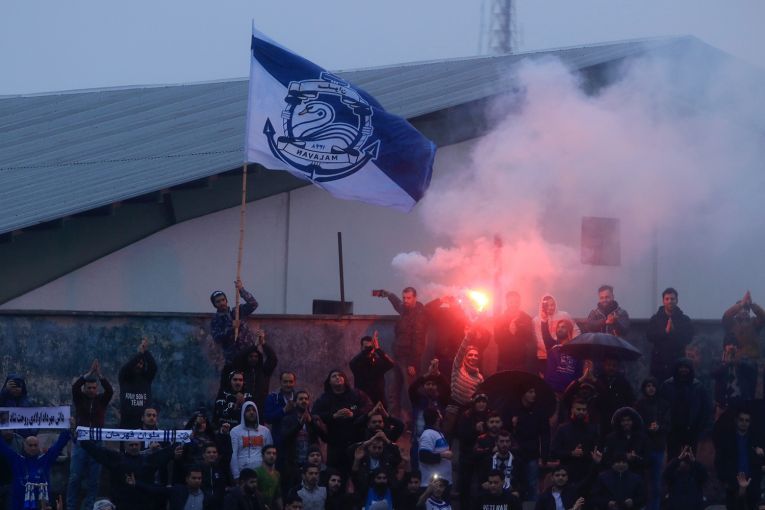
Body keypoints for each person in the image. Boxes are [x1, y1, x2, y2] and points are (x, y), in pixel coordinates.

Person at [374, 287, 429, 419]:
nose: (405, 301)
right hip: (397, 357)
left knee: (412, 392)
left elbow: (419, 340)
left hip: (409, 359)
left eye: (408, 298)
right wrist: (388, 294)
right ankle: (394, 422)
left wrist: (412, 363)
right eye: (404, 298)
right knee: (393, 391)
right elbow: (397, 303)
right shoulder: (404, 308)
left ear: (415, 298)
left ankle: (416, 423)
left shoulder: (419, 315)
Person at [79, 439, 181, 510]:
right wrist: (82, 439)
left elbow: (165, 454)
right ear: (125, 446)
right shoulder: (117, 459)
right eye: (131, 445)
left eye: (136, 444)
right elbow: (98, 452)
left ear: (140, 445)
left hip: (144, 504)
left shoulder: (148, 460)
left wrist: (179, 441)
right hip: (121, 504)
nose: (134, 447)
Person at [67, 359, 113, 510]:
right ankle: (71, 507)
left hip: (97, 443)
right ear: (85, 388)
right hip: (81, 442)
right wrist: (89, 373)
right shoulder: (79, 399)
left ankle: (88, 507)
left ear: (97, 389)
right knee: (75, 477)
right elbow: (75, 387)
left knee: (94, 480)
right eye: (89, 388)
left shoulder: (102, 400)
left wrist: (100, 375)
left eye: (94, 388)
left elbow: (110, 391)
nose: (92, 390)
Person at [312, 369, 372, 474]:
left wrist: (353, 414)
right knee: (335, 475)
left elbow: (369, 408)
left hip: (357, 442)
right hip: (335, 444)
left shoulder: (357, 394)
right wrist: (333, 416)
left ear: (344, 379)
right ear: (329, 382)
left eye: (340, 375)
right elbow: (315, 414)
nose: (337, 377)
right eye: (334, 376)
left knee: (359, 474)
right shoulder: (324, 399)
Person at [0, 427, 71, 510]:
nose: (33, 448)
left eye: (35, 445)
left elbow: (59, 445)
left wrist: (67, 427)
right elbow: (2, 447)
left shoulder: (45, 460)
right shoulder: (16, 460)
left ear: (39, 446)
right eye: (30, 445)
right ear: (24, 446)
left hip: (41, 506)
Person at [505, 385, 551, 501]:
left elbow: (545, 434)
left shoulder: (539, 411)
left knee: (532, 485)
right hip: (515, 455)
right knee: (513, 484)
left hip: (532, 454)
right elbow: (505, 431)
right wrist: (512, 425)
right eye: (530, 392)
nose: (533, 395)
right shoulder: (513, 409)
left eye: (534, 392)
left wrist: (544, 457)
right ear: (523, 394)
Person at [659, 358, 710, 458]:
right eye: (681, 367)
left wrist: (700, 426)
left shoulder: (698, 386)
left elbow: (705, 408)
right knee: (672, 458)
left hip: (691, 428)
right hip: (673, 428)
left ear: (690, 369)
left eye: (686, 367)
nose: (683, 370)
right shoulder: (667, 385)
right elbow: (661, 406)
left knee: (690, 458)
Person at [714, 408, 764, 510]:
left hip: (752, 483)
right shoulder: (727, 439)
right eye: (741, 419)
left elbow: (760, 463)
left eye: (747, 420)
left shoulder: (756, 440)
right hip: (733, 483)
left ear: (750, 423)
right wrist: (725, 480)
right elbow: (719, 461)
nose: (744, 423)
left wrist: (761, 455)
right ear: (736, 420)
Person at [634, 377, 670, 510]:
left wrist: (659, 427)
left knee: (656, 482)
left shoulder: (664, 404)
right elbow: (635, 424)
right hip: (642, 448)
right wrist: (646, 428)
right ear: (644, 388)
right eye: (648, 386)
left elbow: (668, 424)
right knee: (641, 480)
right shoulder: (639, 404)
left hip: (658, 447)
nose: (651, 388)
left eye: (653, 386)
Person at [280, 389, 327, 491]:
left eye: (306, 399)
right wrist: (299, 424)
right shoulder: (288, 419)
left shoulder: (314, 418)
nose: (304, 401)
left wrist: (311, 422)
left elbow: (325, 437)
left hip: (311, 464)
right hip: (294, 464)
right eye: (301, 399)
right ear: (295, 402)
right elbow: (284, 438)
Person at [646, 287, 694, 383]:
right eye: (667, 299)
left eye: (672, 299)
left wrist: (674, 331)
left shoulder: (684, 320)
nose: (670, 301)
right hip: (659, 362)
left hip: (677, 361)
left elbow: (688, 338)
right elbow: (649, 336)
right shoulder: (655, 319)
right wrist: (665, 332)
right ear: (663, 301)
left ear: (677, 300)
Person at [408, 362, 450, 471]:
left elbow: (447, 389)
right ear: (424, 386)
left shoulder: (441, 400)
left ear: (437, 386)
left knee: (435, 471)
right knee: (417, 470)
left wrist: (438, 374)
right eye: (428, 384)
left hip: (436, 443)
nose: (430, 386)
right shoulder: (417, 399)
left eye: (433, 384)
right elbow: (412, 388)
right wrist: (426, 375)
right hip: (418, 441)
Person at [550, 399, 601, 484]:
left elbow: (597, 449)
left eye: (584, 410)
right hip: (568, 473)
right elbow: (554, 452)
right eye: (578, 409)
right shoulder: (563, 429)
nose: (581, 412)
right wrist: (571, 453)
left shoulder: (593, 429)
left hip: (587, 473)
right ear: (572, 410)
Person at [210, 279, 259, 364]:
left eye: (223, 300)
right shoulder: (215, 320)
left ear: (226, 300)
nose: (221, 303)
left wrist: (241, 289)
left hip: (248, 353)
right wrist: (231, 328)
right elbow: (217, 338)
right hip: (233, 358)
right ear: (214, 305)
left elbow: (253, 304)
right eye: (218, 301)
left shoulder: (237, 311)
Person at [126, 465, 212, 510]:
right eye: (194, 478)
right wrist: (136, 484)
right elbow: (154, 490)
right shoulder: (177, 490)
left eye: (199, 478)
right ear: (187, 479)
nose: (197, 480)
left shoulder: (206, 496)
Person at [533, 295, 581, 374]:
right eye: (547, 305)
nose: (550, 307)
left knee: (564, 376)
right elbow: (538, 339)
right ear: (542, 306)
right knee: (548, 377)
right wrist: (553, 351)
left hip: (565, 354)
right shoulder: (536, 320)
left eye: (552, 305)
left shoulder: (564, 315)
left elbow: (576, 331)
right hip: (544, 357)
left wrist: (570, 347)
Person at [425, 294, 468, 382]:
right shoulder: (442, 313)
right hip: (442, 354)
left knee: (455, 382)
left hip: (456, 355)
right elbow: (426, 309)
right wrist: (440, 300)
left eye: (455, 301)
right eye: (452, 301)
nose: (454, 303)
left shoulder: (462, 315)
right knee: (441, 381)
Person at [118, 337, 158, 429]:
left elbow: (153, 367)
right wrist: (140, 354)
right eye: (137, 363)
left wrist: (145, 351)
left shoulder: (146, 378)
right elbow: (127, 367)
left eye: (141, 363)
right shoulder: (124, 377)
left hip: (145, 421)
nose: (139, 365)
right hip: (127, 420)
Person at [234, 332, 278, 412]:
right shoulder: (242, 369)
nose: (253, 358)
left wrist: (263, 343)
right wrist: (254, 346)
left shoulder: (265, 370)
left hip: (261, 406)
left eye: (256, 356)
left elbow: (273, 358)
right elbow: (239, 357)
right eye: (251, 356)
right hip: (244, 404)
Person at [230, 401, 273, 480]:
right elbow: (233, 454)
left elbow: (271, 453)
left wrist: (270, 472)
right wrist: (236, 475)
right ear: (243, 413)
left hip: (262, 473)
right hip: (243, 473)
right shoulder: (235, 431)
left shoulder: (265, 431)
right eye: (248, 410)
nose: (251, 412)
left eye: (254, 410)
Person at [349, 332, 395, 406]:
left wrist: (378, 349)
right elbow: (352, 364)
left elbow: (391, 364)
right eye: (366, 347)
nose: (369, 350)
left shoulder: (378, 362)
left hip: (378, 399)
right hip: (363, 399)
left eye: (370, 347)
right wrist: (364, 352)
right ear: (361, 348)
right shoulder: (358, 362)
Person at [494, 291, 536, 373]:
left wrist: (517, 331)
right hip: (503, 361)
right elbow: (497, 339)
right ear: (507, 302)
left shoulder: (526, 318)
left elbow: (529, 337)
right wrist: (508, 331)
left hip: (521, 362)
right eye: (511, 302)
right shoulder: (499, 319)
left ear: (519, 302)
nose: (514, 304)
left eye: (516, 302)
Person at [476, 429, 522, 500]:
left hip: (510, 496)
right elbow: (481, 481)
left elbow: (522, 482)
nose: (505, 444)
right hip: (491, 495)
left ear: (510, 443)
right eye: (502, 441)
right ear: (496, 443)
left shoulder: (517, 461)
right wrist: (485, 484)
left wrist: (517, 491)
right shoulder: (487, 461)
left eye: (507, 441)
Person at [601, 407, 647, 474]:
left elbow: (647, 459)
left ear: (634, 421)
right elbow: (606, 459)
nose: (626, 423)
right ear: (619, 422)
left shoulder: (642, 438)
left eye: (628, 420)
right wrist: (624, 457)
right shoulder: (610, 438)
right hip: (615, 474)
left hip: (636, 474)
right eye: (623, 420)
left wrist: (636, 458)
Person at [597, 357, 636, 434]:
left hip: (618, 419)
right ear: (604, 365)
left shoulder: (624, 382)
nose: (611, 368)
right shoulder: (598, 380)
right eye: (608, 365)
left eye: (614, 365)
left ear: (618, 367)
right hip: (601, 419)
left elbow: (630, 400)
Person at [722, 290, 765, 361]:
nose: (744, 311)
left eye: (746, 309)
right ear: (737, 311)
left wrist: (752, 305)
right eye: (742, 309)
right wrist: (741, 304)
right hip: (736, 360)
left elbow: (763, 317)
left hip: (753, 360)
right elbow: (726, 316)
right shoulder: (731, 323)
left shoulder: (754, 323)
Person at [544, 318, 583, 395]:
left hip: (571, 392)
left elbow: (578, 373)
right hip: (555, 391)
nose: (560, 329)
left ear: (569, 330)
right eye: (558, 327)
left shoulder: (576, 351)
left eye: (563, 327)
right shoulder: (554, 349)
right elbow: (549, 372)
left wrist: (573, 388)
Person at [664, 446, 707, 510]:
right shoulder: (674, 477)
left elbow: (704, 475)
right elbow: (666, 473)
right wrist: (678, 459)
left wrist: (694, 460)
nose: (684, 464)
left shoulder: (696, 477)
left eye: (687, 462)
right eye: (682, 462)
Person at [262, 371, 297, 451]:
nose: (288, 384)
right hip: (279, 441)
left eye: (290, 382)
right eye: (285, 382)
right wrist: (283, 410)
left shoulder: (299, 397)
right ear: (280, 382)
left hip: (296, 441)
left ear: (294, 382)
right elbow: (267, 418)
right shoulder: (273, 398)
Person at [418, 409, 452, 486]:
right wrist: (442, 455)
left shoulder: (438, 433)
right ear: (437, 419)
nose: (441, 416)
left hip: (443, 483)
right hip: (433, 485)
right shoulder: (428, 435)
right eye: (439, 414)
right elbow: (424, 456)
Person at [199, 444, 229, 509]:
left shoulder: (221, 469)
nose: (212, 454)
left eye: (214, 452)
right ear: (203, 455)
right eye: (209, 452)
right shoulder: (197, 469)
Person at [254, 445, 282, 510]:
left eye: (274, 453)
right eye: (268, 453)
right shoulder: (256, 472)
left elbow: (278, 496)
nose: (272, 455)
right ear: (262, 456)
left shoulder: (277, 474)